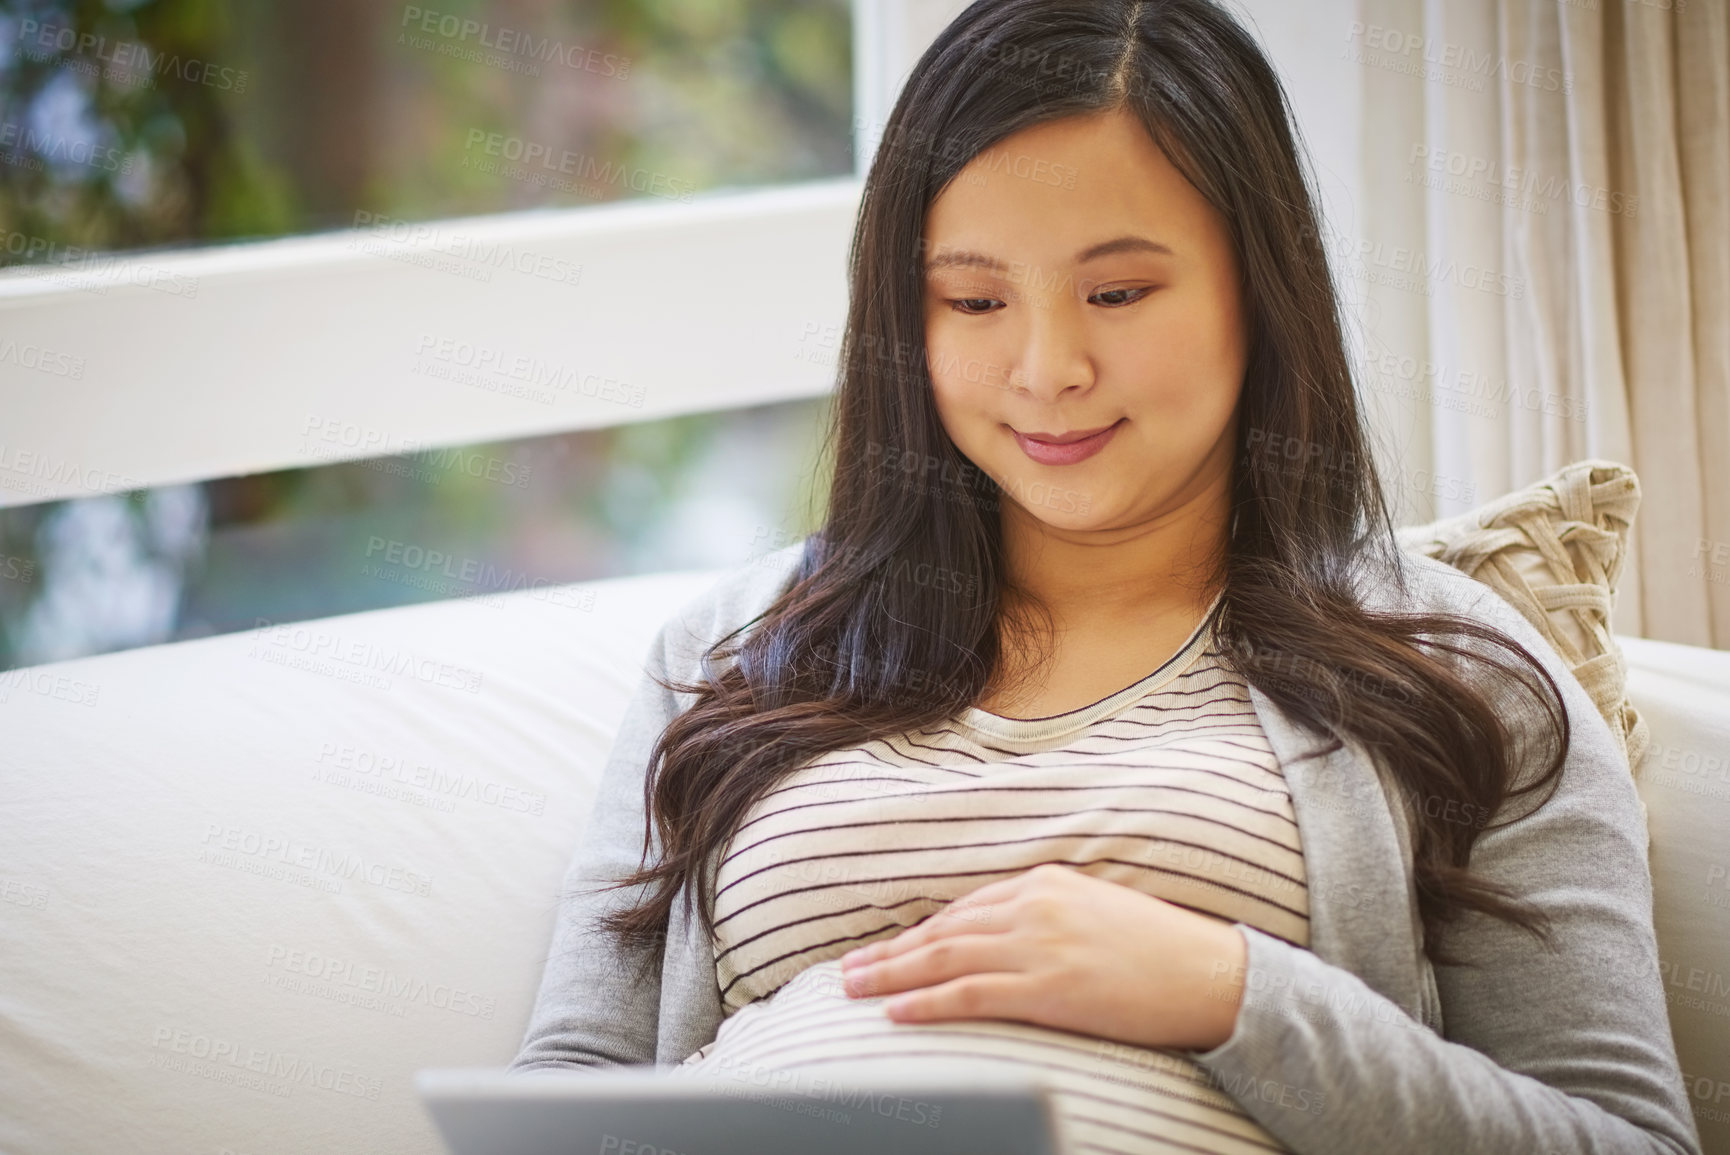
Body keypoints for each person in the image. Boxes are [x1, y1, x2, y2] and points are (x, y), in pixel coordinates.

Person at [510, 2, 1701, 1152]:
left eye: (1118, 293)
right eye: (973, 301)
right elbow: (569, 1093)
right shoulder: (729, 651)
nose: (1046, 368)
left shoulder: (1456, 673)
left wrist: (1230, 991)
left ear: (1260, 286)